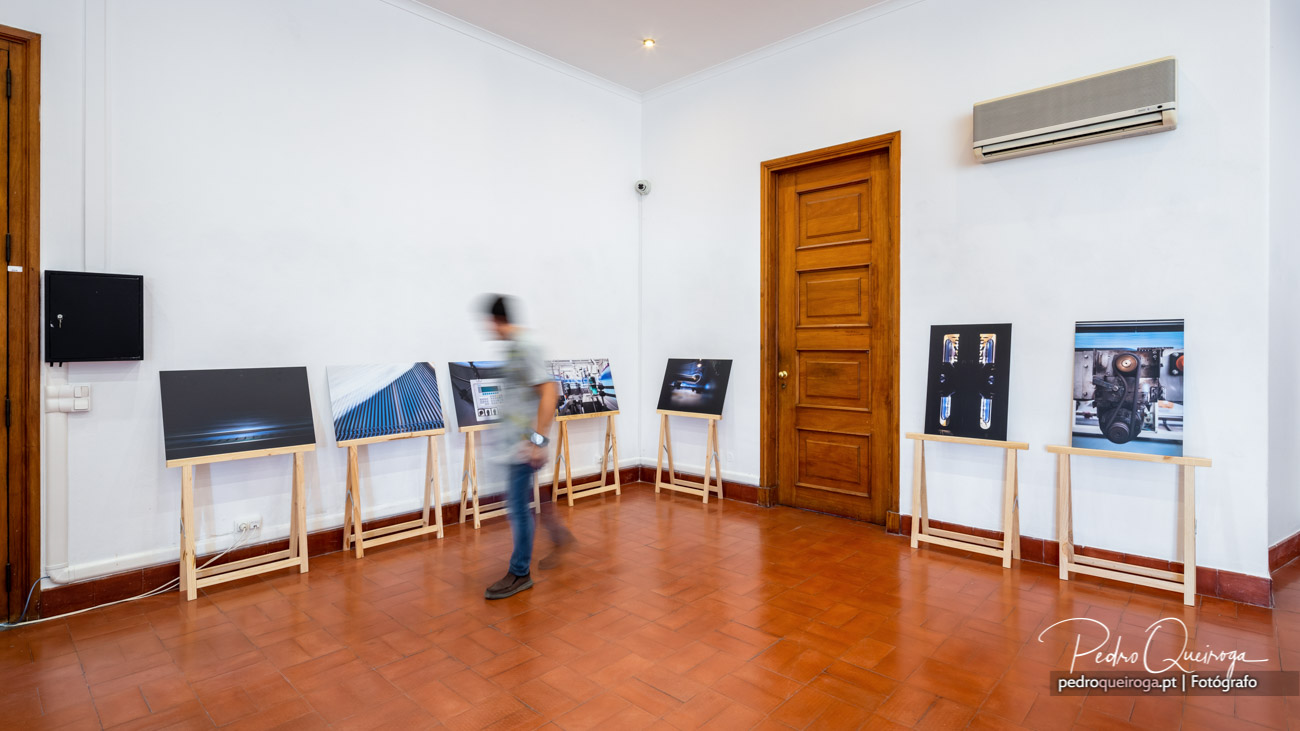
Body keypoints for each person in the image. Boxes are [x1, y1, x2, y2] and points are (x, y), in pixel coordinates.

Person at [482, 295, 574, 600]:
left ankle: (520, 573)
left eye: (487, 322)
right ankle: (558, 535)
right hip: (514, 444)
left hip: (524, 445)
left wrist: (537, 443)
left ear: (495, 320)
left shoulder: (526, 346)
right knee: (526, 500)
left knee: (518, 508)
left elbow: (549, 393)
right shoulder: (513, 348)